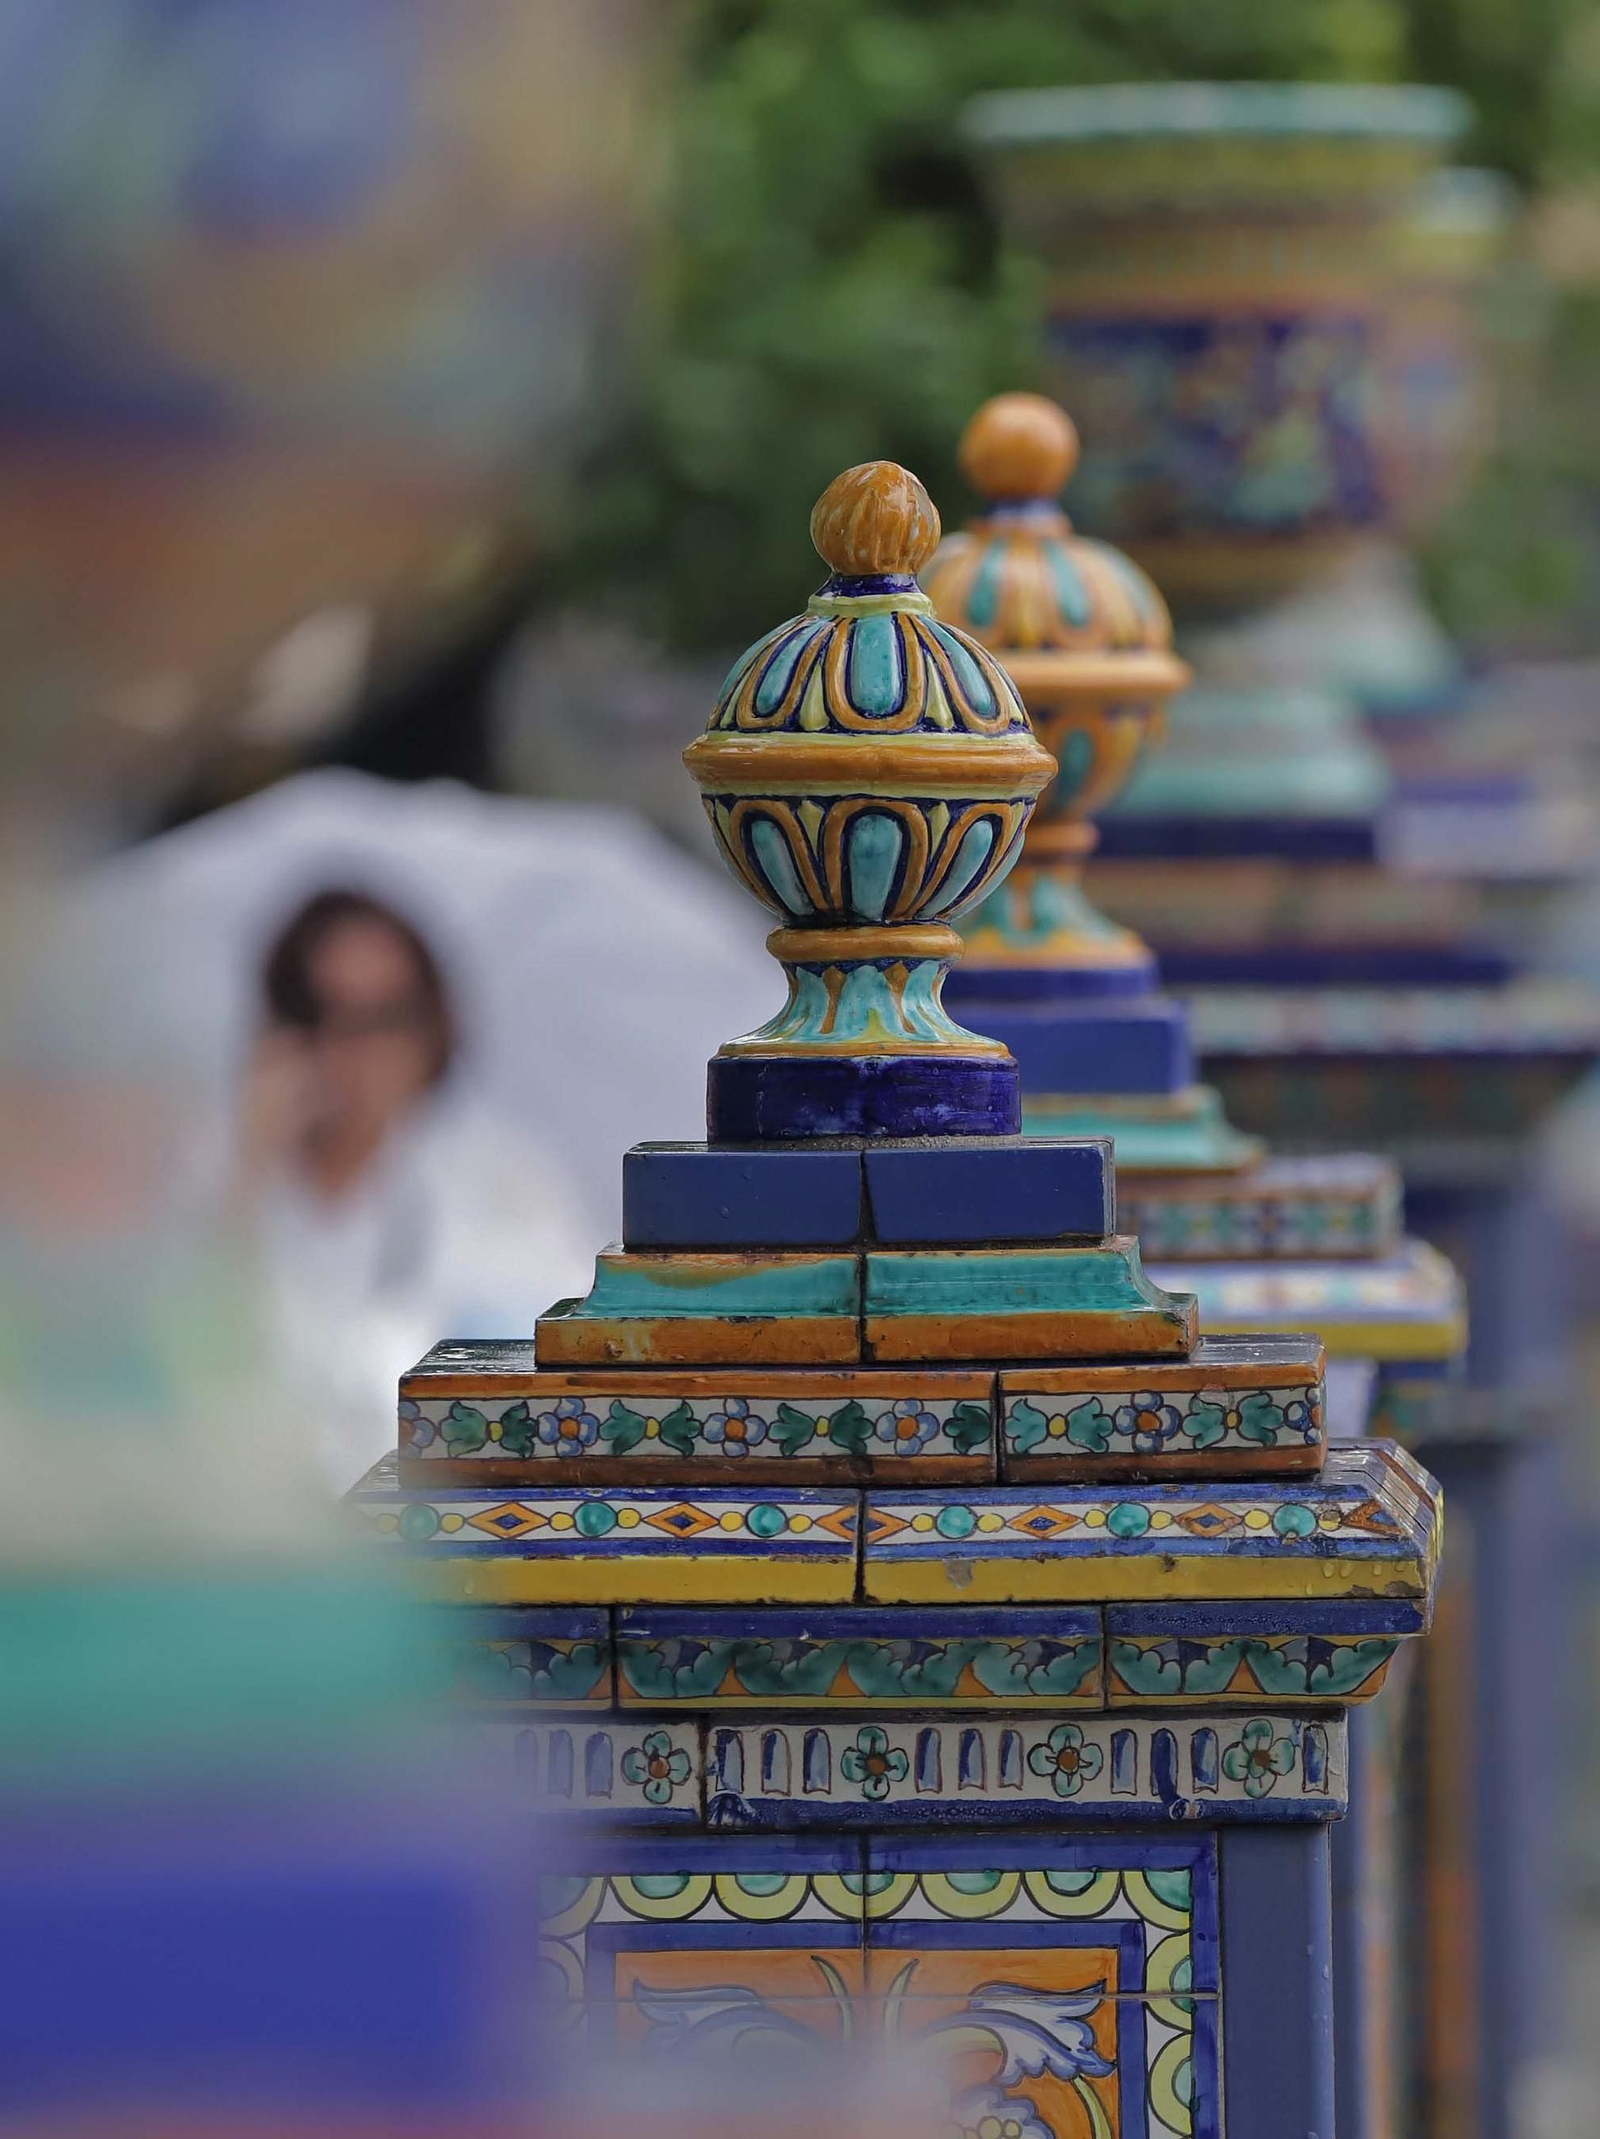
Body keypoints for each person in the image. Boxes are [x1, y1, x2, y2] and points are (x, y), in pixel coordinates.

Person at [229, 886, 594, 1488]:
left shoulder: (503, 1182)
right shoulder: (234, 1178)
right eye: (323, 1013)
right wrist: (244, 1179)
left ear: (432, 1024)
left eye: (386, 1017)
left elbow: (559, 1363)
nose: (358, 1049)